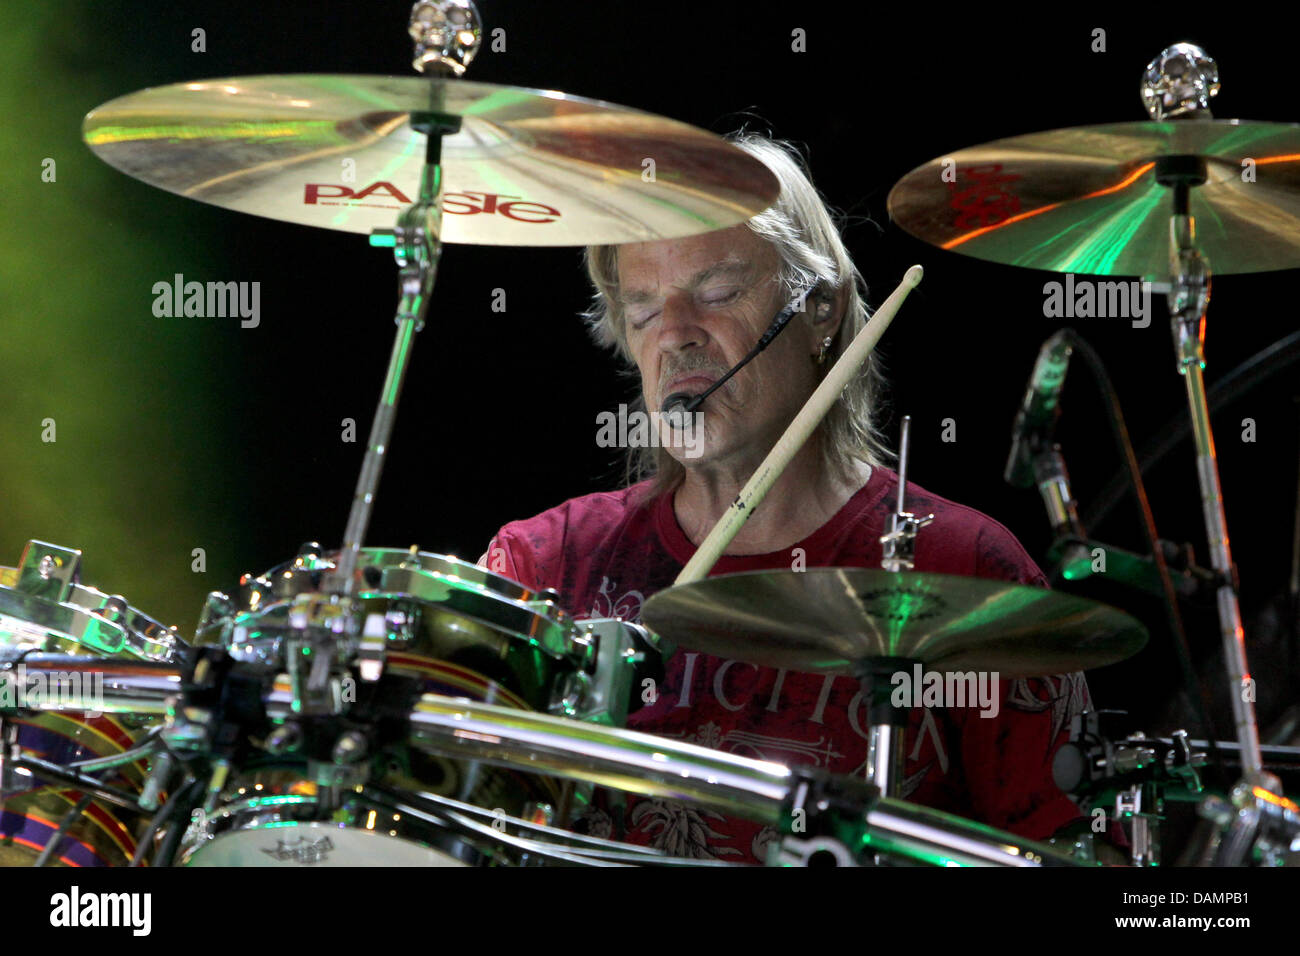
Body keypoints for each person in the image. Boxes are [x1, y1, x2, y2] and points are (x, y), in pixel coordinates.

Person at [480, 132, 1090, 863]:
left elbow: (1076, 851)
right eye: (642, 311)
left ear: (822, 310)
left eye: (718, 292)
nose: (675, 335)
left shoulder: (969, 570)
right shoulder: (541, 568)